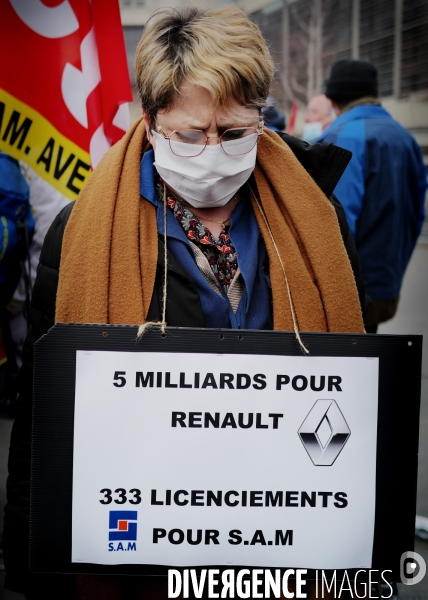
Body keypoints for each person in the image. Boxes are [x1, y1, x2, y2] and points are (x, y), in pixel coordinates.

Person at [4, 7, 369, 599]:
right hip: (148, 540)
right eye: (191, 134)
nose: (214, 152)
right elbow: (43, 413)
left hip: (282, 533)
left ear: (261, 118)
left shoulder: (316, 224)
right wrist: (30, 567)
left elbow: (358, 385)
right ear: (151, 123)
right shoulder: (82, 232)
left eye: (234, 133)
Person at [319, 59, 427, 332]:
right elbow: (416, 214)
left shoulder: (344, 137)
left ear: (332, 100)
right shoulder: (404, 138)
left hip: (347, 295)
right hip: (385, 282)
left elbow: (333, 226)